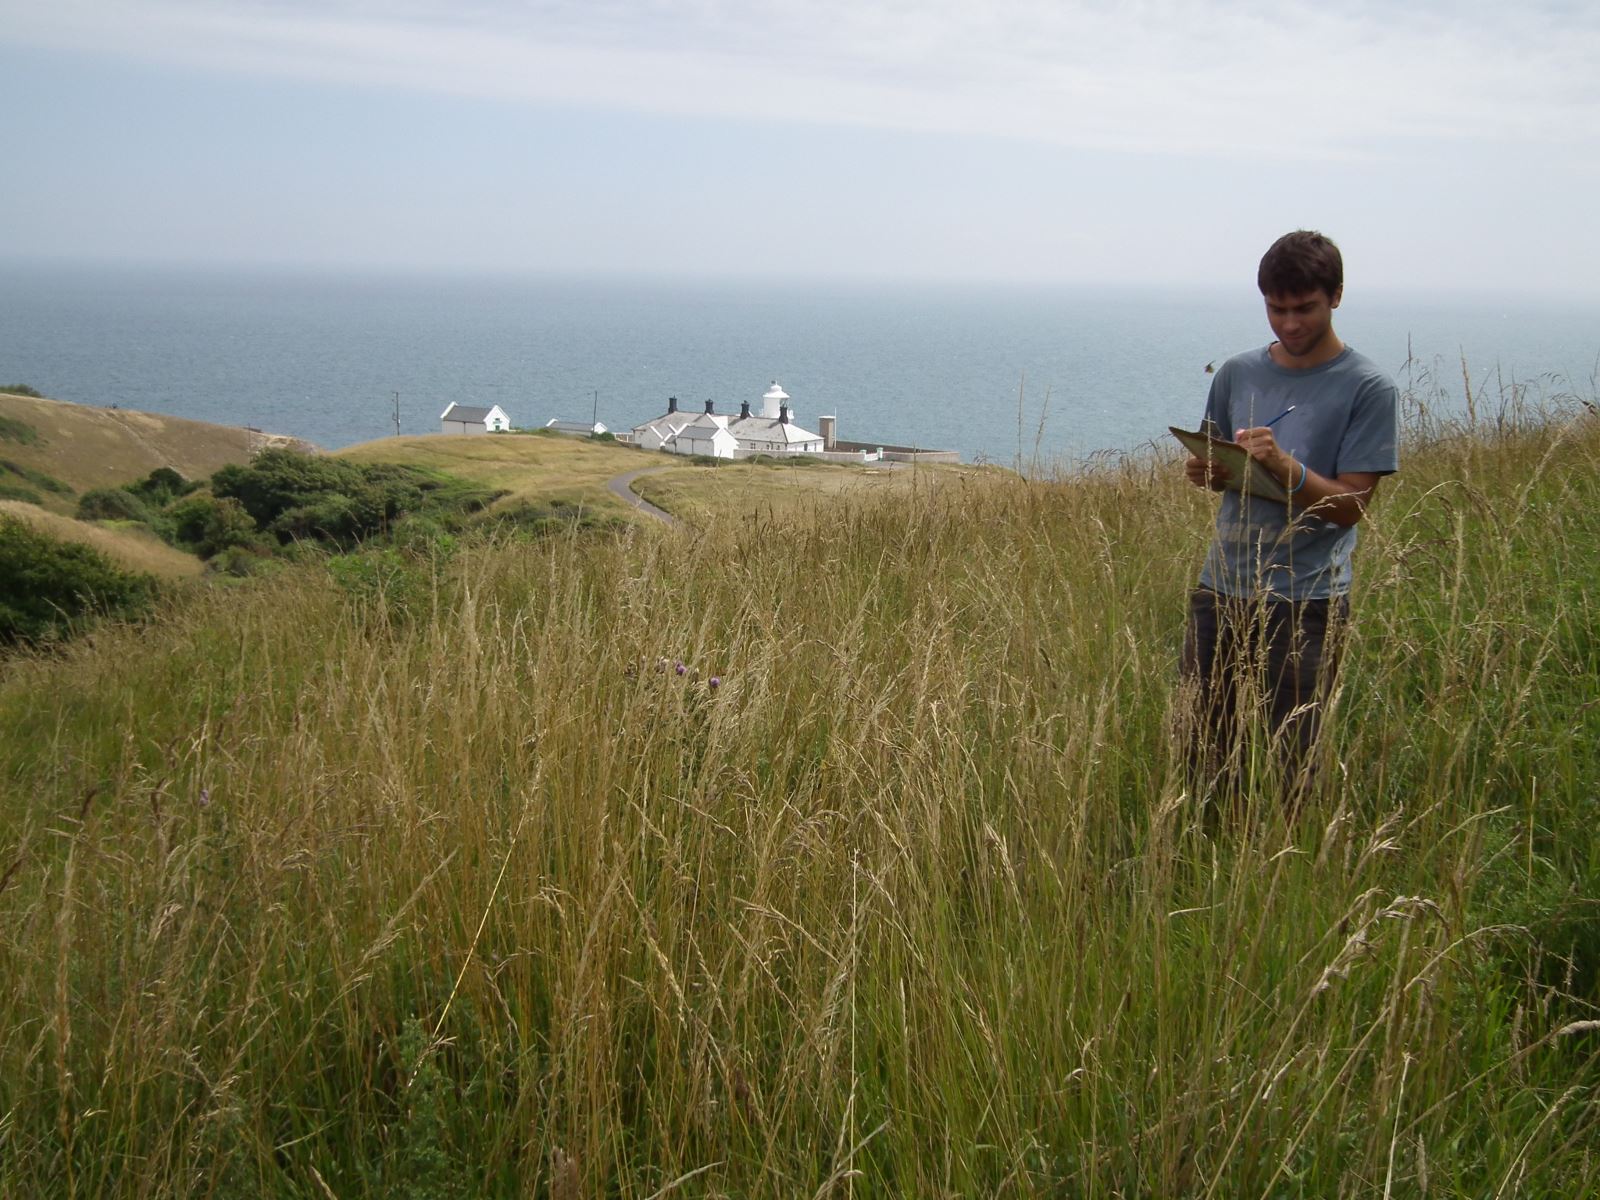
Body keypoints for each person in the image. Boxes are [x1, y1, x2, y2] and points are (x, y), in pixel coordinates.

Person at [1180, 230, 1399, 811]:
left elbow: (1351, 507)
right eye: (1277, 308)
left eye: (1305, 308)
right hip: (1221, 586)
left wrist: (1285, 465)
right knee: (1201, 752)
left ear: (1336, 297)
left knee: (1291, 762)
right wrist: (1212, 472)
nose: (1290, 323)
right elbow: (1225, 465)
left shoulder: (1368, 388)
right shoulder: (1235, 373)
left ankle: (1286, 870)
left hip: (1307, 600)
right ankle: (1208, 868)